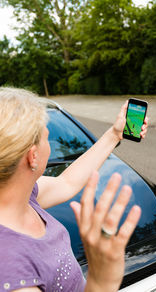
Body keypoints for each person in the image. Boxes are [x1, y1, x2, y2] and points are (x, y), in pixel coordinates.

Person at [0, 87, 148, 292]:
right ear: (33, 156)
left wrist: (115, 134)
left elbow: (67, 182)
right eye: (47, 138)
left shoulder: (22, 197)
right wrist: (102, 281)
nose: (49, 144)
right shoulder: (10, 270)